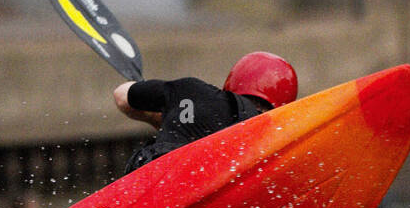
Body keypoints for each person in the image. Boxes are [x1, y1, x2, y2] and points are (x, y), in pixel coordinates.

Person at [114, 52, 298, 175]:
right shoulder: (276, 142)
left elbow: (121, 96)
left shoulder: (189, 91)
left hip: (149, 183)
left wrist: (165, 114)